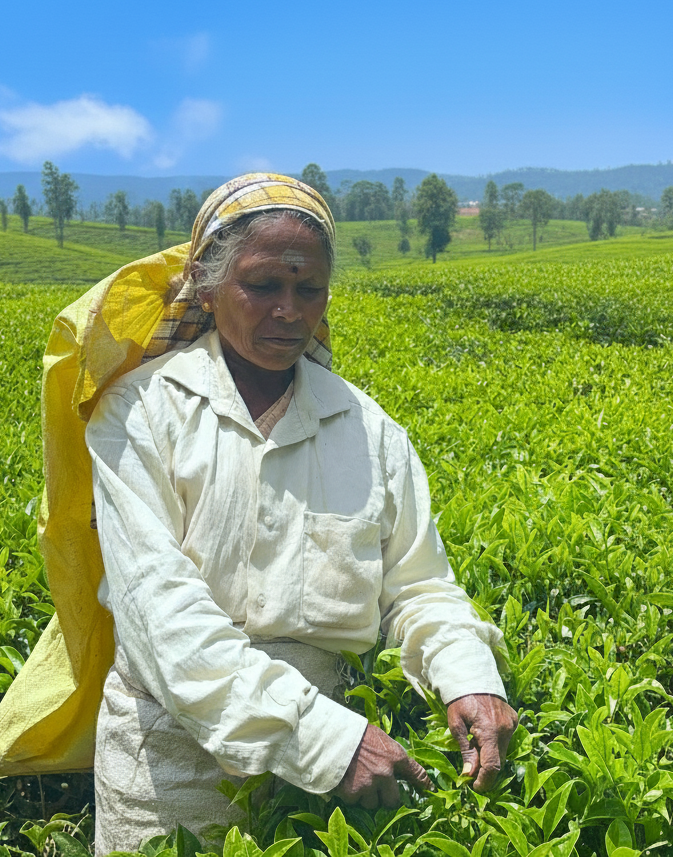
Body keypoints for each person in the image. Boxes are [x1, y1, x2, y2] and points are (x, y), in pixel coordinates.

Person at [82, 173, 517, 852]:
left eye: (307, 289)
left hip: (329, 781)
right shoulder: (141, 414)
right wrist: (322, 740)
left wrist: (469, 678)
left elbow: (420, 586)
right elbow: (159, 614)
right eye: (261, 286)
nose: (288, 310)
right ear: (205, 282)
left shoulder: (369, 431)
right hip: (170, 769)